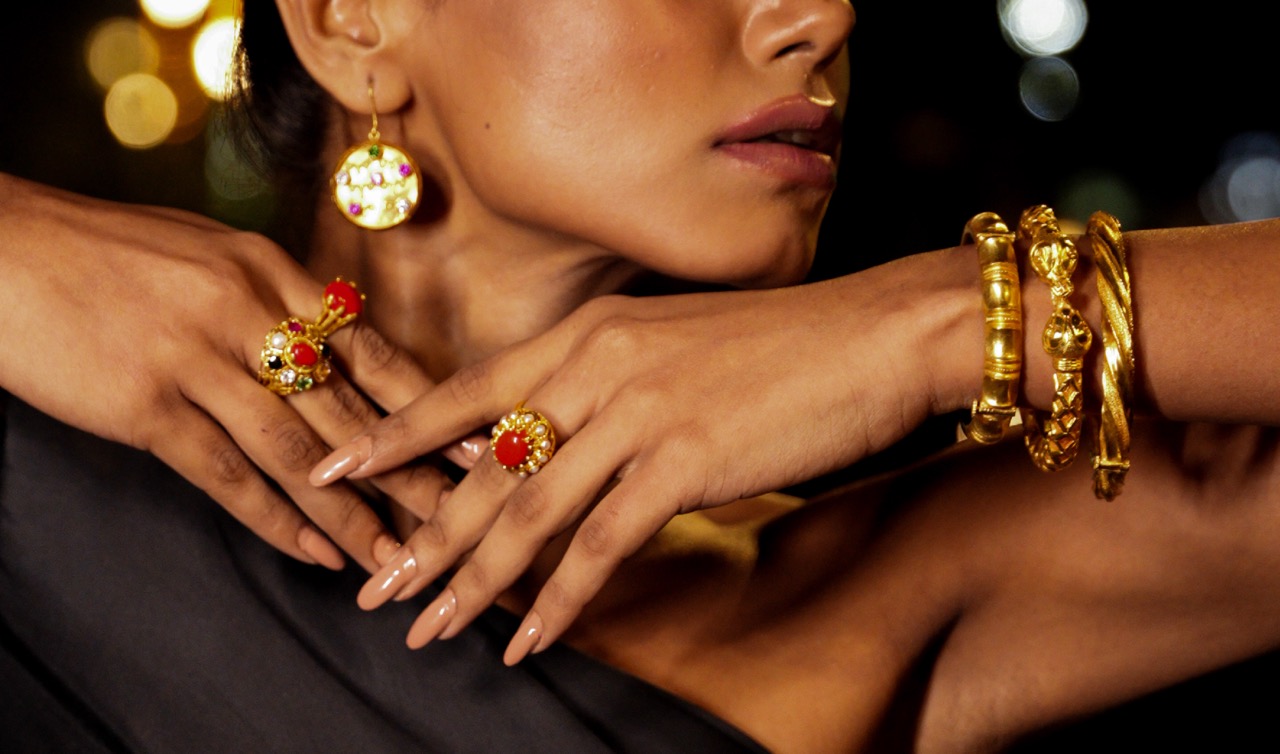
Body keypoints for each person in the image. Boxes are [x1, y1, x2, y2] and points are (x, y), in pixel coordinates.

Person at [3, 2, 1280, 753]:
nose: (818, 17)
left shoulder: (858, 591)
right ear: (354, 19)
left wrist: (929, 319)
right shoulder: (45, 445)